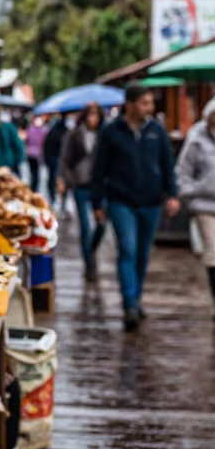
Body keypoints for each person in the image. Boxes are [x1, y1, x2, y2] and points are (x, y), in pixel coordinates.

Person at [91, 83, 179, 331]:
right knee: (127, 250)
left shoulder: (156, 131)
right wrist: (98, 203)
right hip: (121, 202)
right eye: (145, 103)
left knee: (142, 254)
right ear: (130, 104)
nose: (149, 108)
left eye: (150, 103)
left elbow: (167, 164)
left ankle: (136, 298)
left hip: (151, 202)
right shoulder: (111, 132)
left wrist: (172, 194)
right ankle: (129, 303)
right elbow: (99, 170)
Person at [58, 103, 105, 281]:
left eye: (96, 116)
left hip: (99, 186)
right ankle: (89, 264)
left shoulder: (103, 136)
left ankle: (91, 250)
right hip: (80, 184)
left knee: (101, 225)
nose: (93, 119)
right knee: (86, 225)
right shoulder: (74, 135)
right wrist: (65, 179)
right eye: (90, 115)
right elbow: (65, 159)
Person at [175, 96, 215, 308]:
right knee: (213, 251)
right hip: (205, 205)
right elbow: (183, 172)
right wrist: (191, 192)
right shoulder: (196, 138)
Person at [43, 114, 68, 209]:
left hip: (55, 161)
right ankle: (58, 202)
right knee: (57, 181)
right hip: (56, 161)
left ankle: (56, 200)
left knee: (55, 181)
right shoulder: (63, 132)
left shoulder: (52, 132)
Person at [25, 116, 48, 193]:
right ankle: (34, 189)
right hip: (36, 155)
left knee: (33, 173)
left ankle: (33, 188)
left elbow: (26, 140)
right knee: (36, 173)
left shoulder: (30, 129)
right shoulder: (42, 130)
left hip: (31, 154)